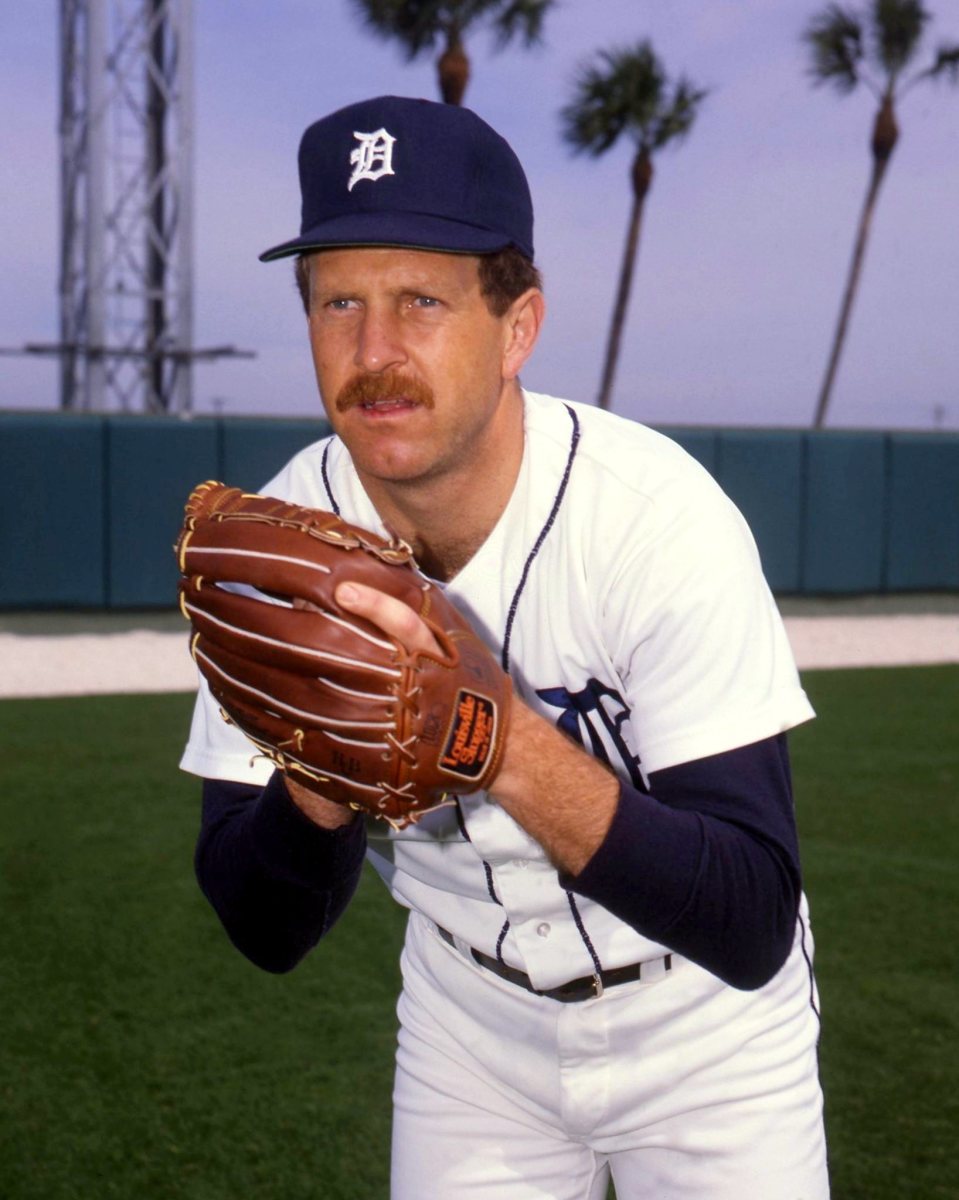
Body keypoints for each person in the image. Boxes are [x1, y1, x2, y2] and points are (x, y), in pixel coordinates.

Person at [180, 95, 829, 1199]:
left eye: (420, 300)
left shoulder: (655, 519)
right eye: (337, 302)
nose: (372, 351)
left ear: (517, 326)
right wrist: (318, 787)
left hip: (703, 1034)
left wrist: (499, 742)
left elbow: (750, 917)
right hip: (469, 1037)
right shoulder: (284, 538)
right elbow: (264, 928)